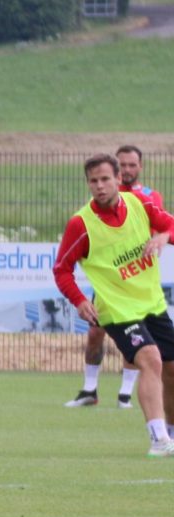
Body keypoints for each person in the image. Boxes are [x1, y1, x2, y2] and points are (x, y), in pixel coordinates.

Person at [54, 153, 174, 458]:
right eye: (93, 181)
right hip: (117, 311)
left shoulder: (140, 204)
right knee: (151, 360)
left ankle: (169, 433)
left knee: (171, 370)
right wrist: (79, 300)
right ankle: (158, 438)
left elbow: (169, 226)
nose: (100, 186)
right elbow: (61, 269)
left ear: (118, 179)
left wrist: (162, 237)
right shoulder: (80, 224)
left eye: (105, 179)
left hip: (152, 303)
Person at [65, 145, 163, 409]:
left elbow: (162, 227)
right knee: (96, 332)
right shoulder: (86, 217)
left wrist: (161, 238)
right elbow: (62, 268)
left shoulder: (148, 198)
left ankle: (125, 393)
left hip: (139, 286)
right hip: (111, 286)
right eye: (125, 164)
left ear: (138, 167)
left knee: (147, 350)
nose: (129, 169)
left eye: (133, 165)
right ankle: (89, 390)